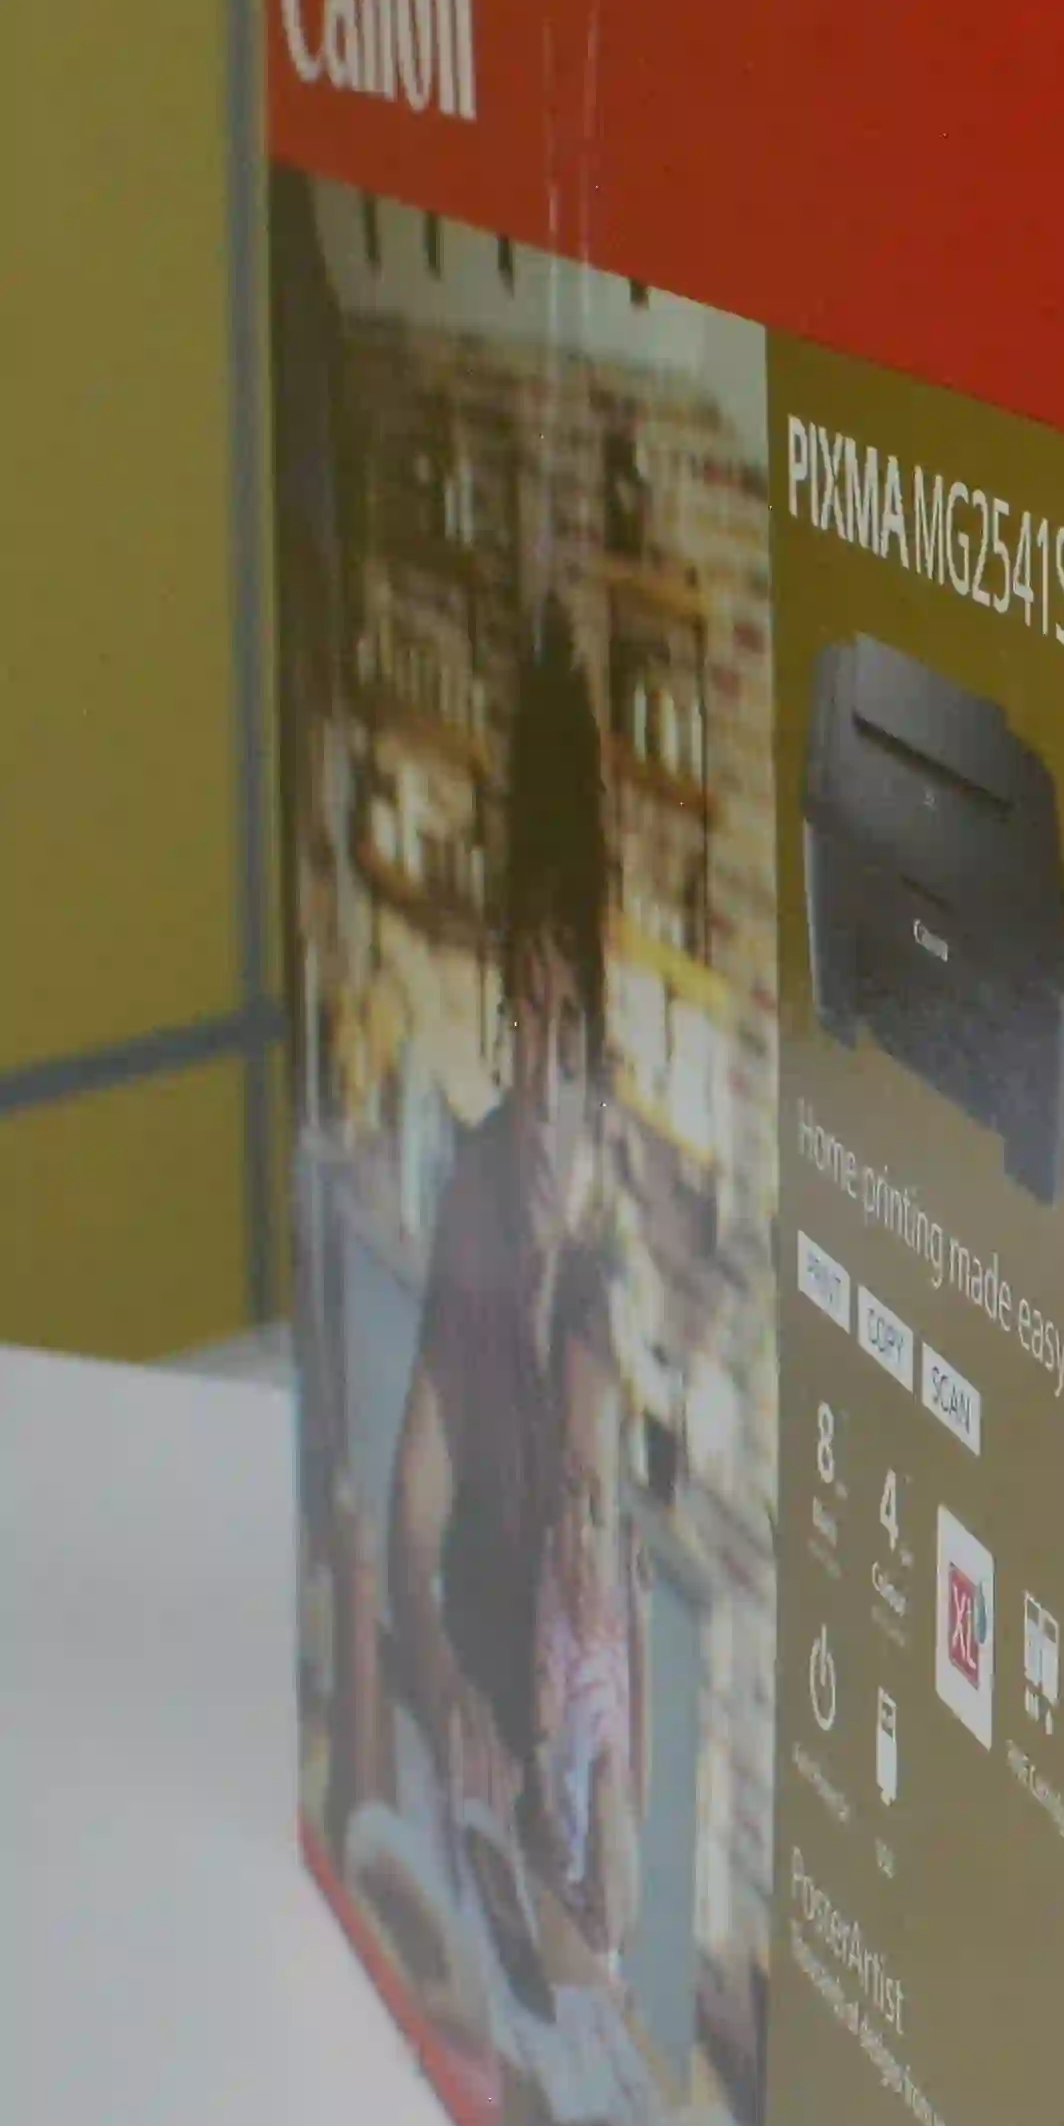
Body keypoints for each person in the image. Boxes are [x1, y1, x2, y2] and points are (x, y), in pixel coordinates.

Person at [388, 600, 633, 1898]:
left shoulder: (609, 1267)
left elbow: (604, 1611)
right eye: (525, 1017)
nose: (542, 1071)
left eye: (571, 1027)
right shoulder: (476, 1191)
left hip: (560, 1822)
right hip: (466, 1771)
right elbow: (410, 1527)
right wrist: (443, 1689)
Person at [530, 1242, 643, 1955]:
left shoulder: (620, 1608)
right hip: (554, 1885)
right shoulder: (551, 1592)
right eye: (568, 1492)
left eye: (597, 1504)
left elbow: (631, 1762)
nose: (578, 1530)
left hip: (598, 1901)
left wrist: (620, 1802)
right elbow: (541, 1717)